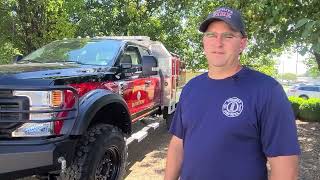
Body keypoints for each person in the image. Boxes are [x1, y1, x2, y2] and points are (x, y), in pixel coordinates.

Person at [164, 6, 300, 180]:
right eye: (211, 35)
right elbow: (177, 144)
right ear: (203, 42)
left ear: (242, 43)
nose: (218, 42)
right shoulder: (191, 88)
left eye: (228, 36)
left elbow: (285, 168)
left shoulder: (267, 91)